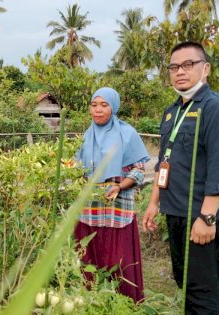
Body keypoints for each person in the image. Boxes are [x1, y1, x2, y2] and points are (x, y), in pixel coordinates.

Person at [142, 41, 219, 314]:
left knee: (203, 295)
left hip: (201, 216)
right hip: (176, 213)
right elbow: (165, 161)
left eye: (188, 64)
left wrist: (207, 218)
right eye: (174, 66)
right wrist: (153, 203)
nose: (179, 71)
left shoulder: (215, 108)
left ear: (205, 68)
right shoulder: (172, 111)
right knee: (186, 285)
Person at [75, 87, 150, 303]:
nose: (98, 110)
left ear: (114, 107)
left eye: (104, 105)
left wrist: (120, 186)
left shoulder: (127, 134)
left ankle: (123, 303)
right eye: (94, 105)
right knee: (90, 255)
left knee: (119, 257)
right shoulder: (86, 136)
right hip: (90, 209)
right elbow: (77, 170)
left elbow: (138, 170)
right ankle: (93, 302)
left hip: (119, 206)